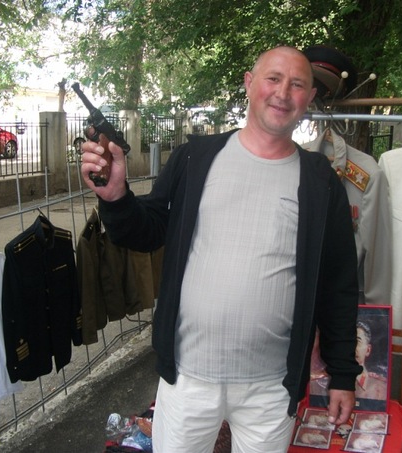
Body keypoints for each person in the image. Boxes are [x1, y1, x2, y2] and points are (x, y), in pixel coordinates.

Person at [81, 45, 362, 452]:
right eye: (273, 78)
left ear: (310, 98)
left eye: (297, 84)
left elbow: (339, 283)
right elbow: (146, 232)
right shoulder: (195, 158)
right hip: (188, 378)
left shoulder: (320, 181)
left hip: (271, 386)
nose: (283, 93)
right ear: (249, 83)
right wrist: (116, 197)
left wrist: (342, 374)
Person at [355, 320, 387, 400]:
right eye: (347, 342)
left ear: (368, 350)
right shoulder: (327, 383)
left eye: (357, 341)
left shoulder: (379, 388)